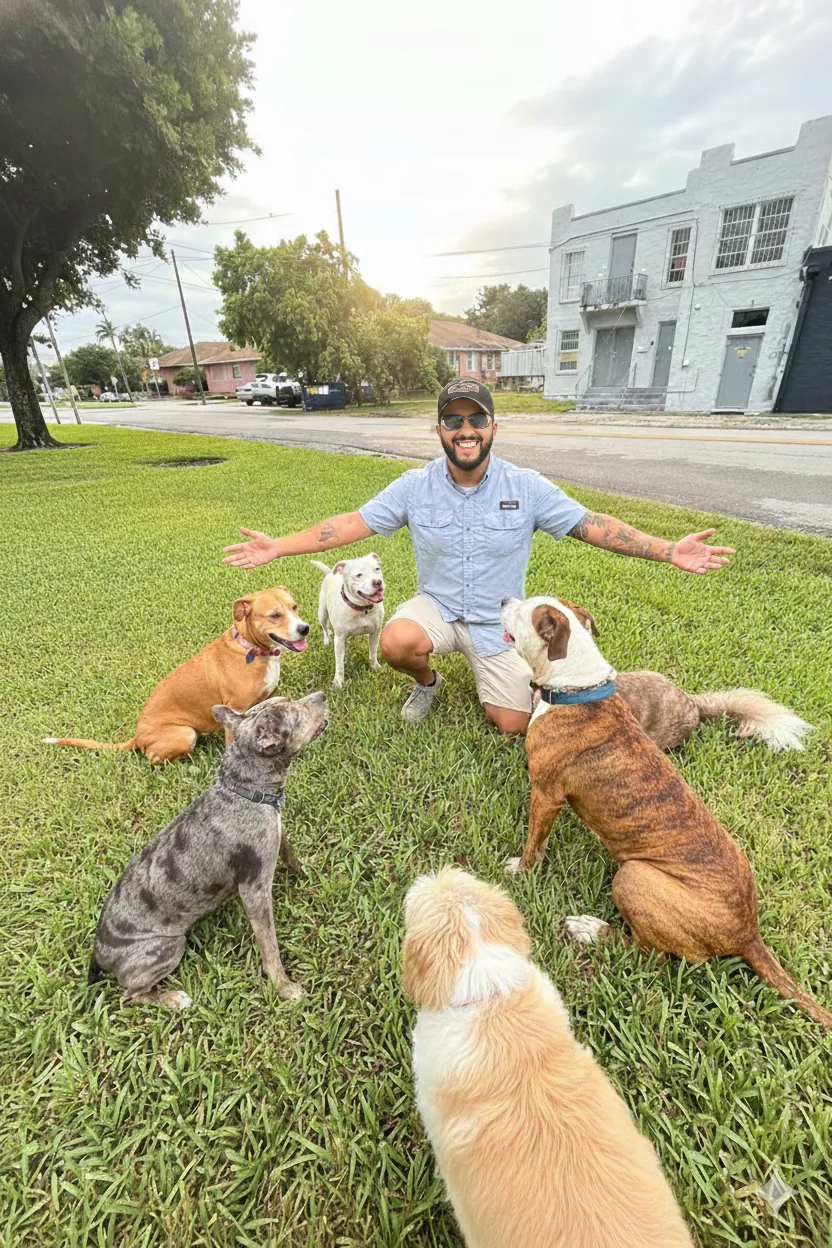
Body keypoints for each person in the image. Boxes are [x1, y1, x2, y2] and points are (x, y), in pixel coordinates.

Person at [223, 378, 734, 735]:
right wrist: (278, 546)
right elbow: (348, 526)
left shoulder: (526, 487)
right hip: (439, 607)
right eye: (453, 420)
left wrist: (669, 551)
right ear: (440, 430)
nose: (465, 429)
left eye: (476, 419)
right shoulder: (414, 486)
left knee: (512, 724)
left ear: (493, 426)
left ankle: (522, 686)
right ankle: (428, 683)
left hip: (499, 621)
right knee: (396, 641)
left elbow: (592, 526)